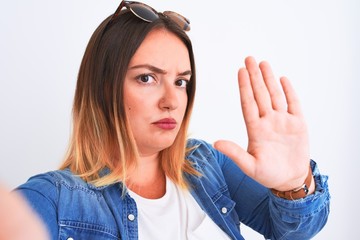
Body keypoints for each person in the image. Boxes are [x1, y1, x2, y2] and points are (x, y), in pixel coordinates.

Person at [13, 1, 330, 239]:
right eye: (147, 78)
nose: (172, 100)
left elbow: (289, 232)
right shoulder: (56, 199)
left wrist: (293, 185)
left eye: (181, 81)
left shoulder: (207, 163)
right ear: (102, 86)